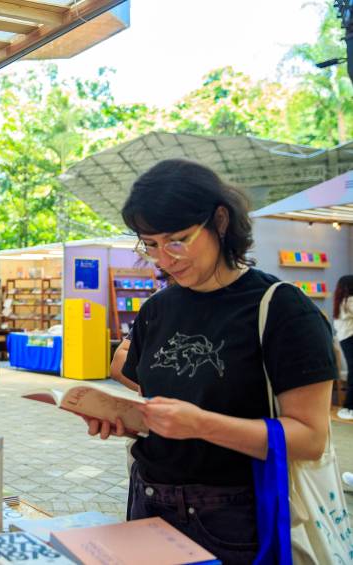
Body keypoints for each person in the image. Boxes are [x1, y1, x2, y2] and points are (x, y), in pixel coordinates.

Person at [85, 159, 335, 563]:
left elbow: (310, 438)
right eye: (149, 244)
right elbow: (158, 402)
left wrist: (201, 424)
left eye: (177, 239)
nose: (164, 258)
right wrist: (127, 421)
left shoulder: (281, 308)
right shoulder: (158, 309)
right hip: (147, 499)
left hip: (234, 515)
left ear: (220, 221)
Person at [333, 275, 353, 419]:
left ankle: (349, 405)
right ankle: (349, 405)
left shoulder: (340, 301)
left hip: (345, 339)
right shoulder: (349, 301)